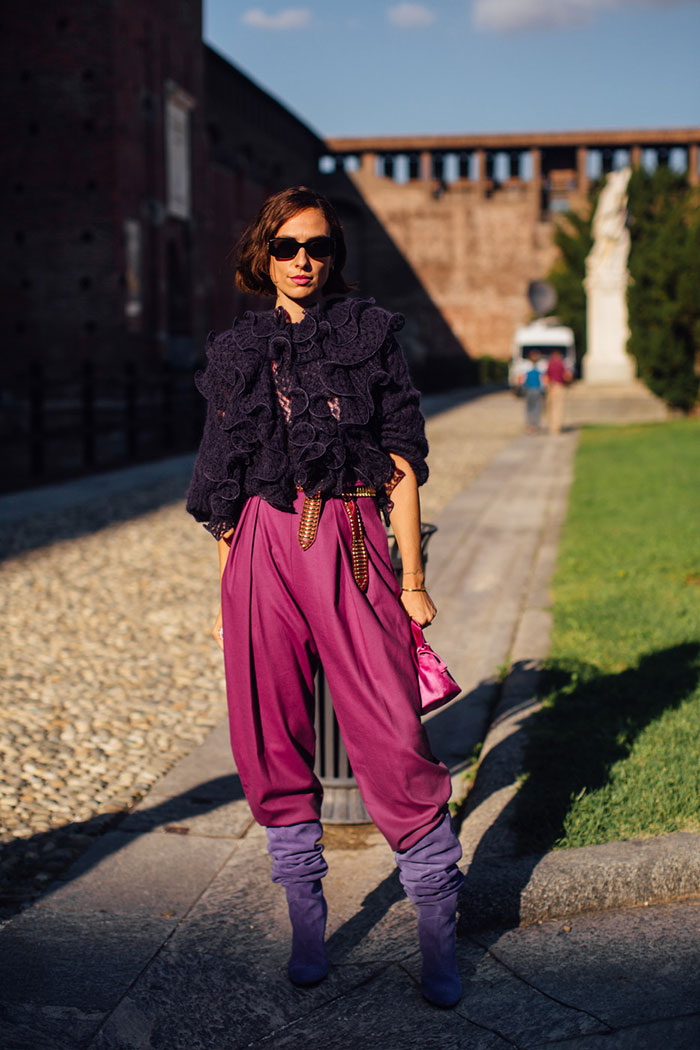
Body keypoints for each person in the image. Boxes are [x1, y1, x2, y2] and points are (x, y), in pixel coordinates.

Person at [186, 187, 464, 1007]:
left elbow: (403, 464)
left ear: (334, 258)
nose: (304, 260)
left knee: (390, 734)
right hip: (261, 553)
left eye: (318, 247)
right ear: (261, 255)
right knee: (268, 736)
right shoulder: (236, 351)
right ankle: (308, 929)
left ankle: (438, 934)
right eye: (286, 247)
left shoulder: (368, 335)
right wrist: (227, 590)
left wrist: (412, 581)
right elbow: (224, 490)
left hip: (348, 538)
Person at [545, 349, 571, 435]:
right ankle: (557, 427)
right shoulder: (562, 365)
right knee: (558, 408)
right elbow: (567, 376)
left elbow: (546, 377)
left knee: (551, 407)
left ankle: (552, 426)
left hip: (551, 387)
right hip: (559, 386)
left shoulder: (549, 364)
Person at [519, 349, 545, 432]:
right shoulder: (526, 367)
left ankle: (535, 425)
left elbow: (543, 380)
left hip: (537, 389)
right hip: (529, 389)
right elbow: (521, 379)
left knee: (536, 408)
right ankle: (531, 425)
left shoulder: (541, 367)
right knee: (530, 408)